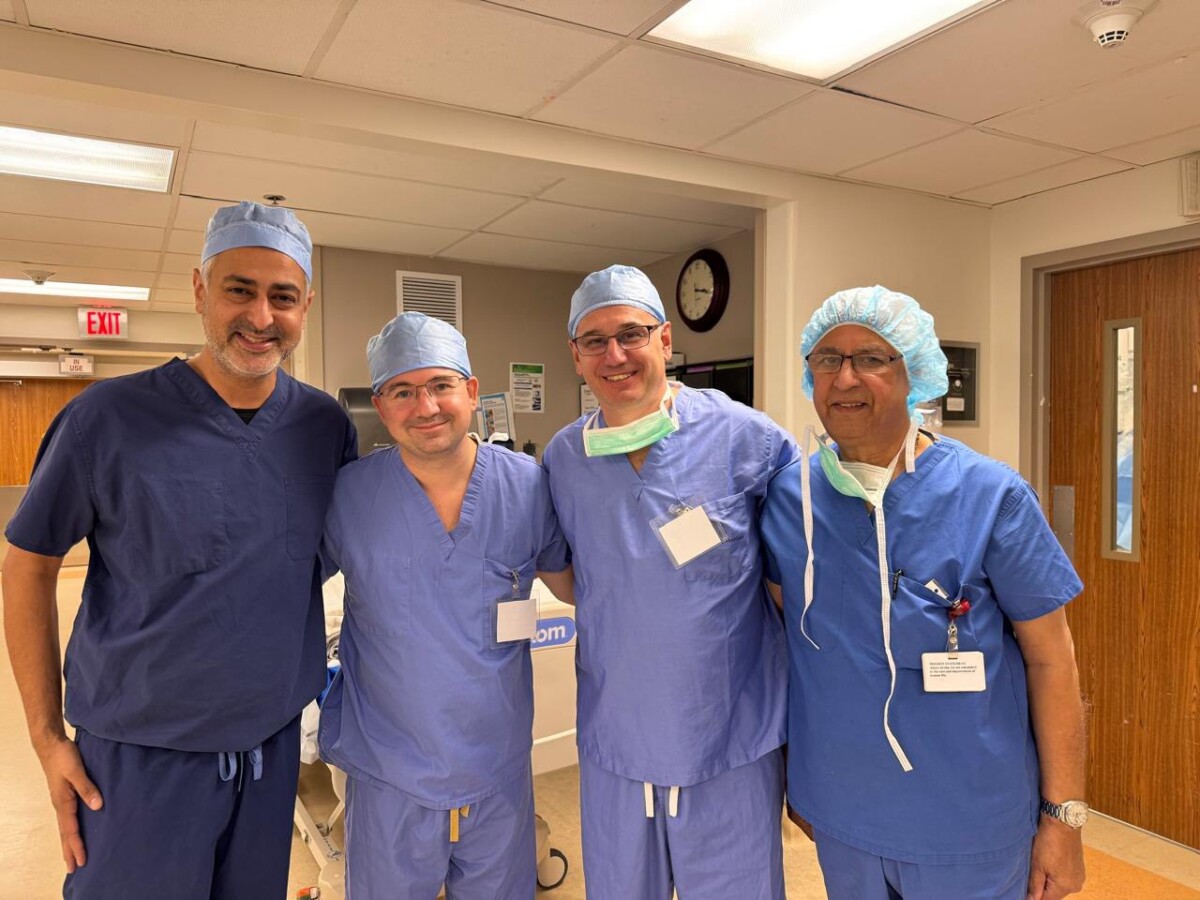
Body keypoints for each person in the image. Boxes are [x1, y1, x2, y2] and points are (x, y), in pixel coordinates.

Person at [2, 201, 357, 897]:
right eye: (239, 289)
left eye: (283, 296)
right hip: (139, 757)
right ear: (199, 289)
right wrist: (47, 740)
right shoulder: (106, 419)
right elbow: (28, 565)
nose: (261, 316)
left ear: (306, 306)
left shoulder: (323, 427)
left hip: (271, 749)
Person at [760, 286, 1087, 900]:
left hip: (970, 817)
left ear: (915, 373)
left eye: (871, 358)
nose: (845, 377)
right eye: (827, 359)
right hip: (841, 809)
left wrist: (1063, 817)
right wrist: (797, 782)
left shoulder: (991, 497)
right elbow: (792, 647)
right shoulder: (788, 498)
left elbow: (1052, 659)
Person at [542, 265, 795, 899]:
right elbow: (574, 581)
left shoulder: (748, 440)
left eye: (631, 333)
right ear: (575, 355)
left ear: (665, 339)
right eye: (595, 340)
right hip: (618, 737)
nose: (615, 355)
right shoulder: (565, 459)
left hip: (730, 735)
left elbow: (792, 589)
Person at [319, 311, 572, 899]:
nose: (426, 406)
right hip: (390, 772)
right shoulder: (349, 496)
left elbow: (576, 584)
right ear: (380, 407)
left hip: (497, 769)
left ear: (472, 391)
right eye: (402, 391)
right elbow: (284, 591)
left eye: (440, 385)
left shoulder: (528, 488)